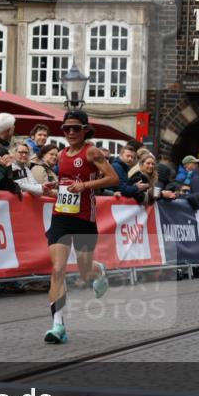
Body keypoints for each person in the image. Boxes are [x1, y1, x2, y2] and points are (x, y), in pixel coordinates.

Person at [40, 110, 119, 345]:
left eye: (76, 128)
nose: (71, 132)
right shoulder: (61, 154)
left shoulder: (91, 151)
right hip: (61, 216)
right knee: (57, 269)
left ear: (85, 129)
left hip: (84, 217)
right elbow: (66, 185)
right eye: (67, 128)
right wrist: (53, 188)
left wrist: (85, 185)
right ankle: (57, 325)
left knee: (85, 270)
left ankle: (99, 271)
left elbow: (113, 178)